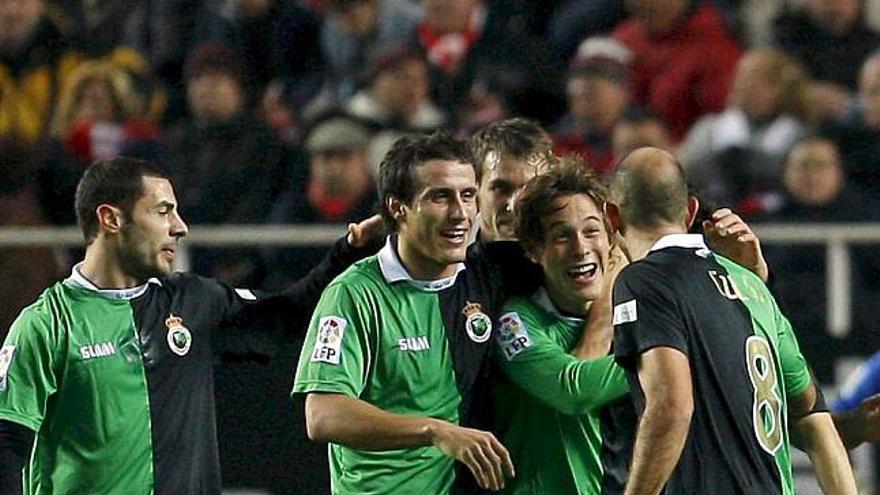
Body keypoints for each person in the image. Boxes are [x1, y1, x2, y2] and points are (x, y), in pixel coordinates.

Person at [0, 157, 380, 495]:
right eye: (163, 212)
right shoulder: (46, 325)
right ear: (111, 218)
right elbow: (8, 444)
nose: (179, 227)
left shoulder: (193, 302)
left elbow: (283, 318)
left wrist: (348, 252)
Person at [492, 158, 775, 495]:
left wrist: (748, 282)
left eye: (591, 231)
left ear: (612, 231)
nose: (581, 248)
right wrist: (676, 359)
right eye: (561, 236)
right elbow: (573, 390)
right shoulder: (516, 321)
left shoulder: (648, 313)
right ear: (534, 250)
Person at [293, 131, 544, 494]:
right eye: (440, 197)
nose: (460, 214)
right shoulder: (355, 293)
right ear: (398, 208)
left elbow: (600, 253)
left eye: (468, 195)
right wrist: (435, 431)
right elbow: (323, 415)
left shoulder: (488, 273)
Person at [605, 147, 857, 494]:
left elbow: (671, 408)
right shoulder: (753, 284)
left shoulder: (642, 282)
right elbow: (814, 419)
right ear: (690, 210)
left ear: (612, 217)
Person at [469, 117, 554, 242]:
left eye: (531, 190)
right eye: (501, 189)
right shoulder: (445, 257)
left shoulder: (576, 252)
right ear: (475, 190)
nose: (514, 206)